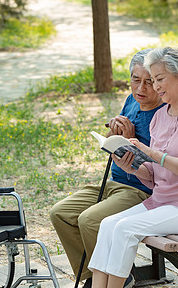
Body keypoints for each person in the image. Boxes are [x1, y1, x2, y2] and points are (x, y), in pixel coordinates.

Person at [88, 47, 178, 288]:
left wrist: (152, 153)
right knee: (108, 225)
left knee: (124, 229)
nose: (155, 86)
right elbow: (154, 176)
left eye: (159, 79)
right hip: (162, 202)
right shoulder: (161, 117)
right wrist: (131, 165)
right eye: (153, 80)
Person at [49, 49, 165, 288]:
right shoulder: (132, 101)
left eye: (149, 82)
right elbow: (114, 144)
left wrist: (131, 141)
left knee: (90, 220)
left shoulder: (165, 114)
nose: (141, 88)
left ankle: (118, 277)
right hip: (114, 183)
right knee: (60, 213)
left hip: (140, 190)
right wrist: (114, 134)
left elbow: (162, 166)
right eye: (136, 80)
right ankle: (95, 277)